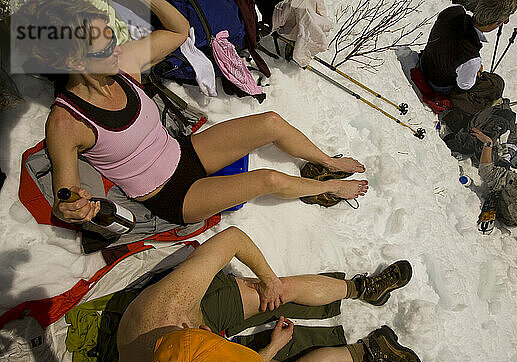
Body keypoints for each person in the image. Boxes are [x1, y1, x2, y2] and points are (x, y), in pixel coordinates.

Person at [22, 0, 368, 227]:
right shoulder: (67, 122)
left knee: (270, 122)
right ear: (73, 61)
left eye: (112, 37)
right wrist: (71, 206)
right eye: (104, 47)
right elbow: (64, 195)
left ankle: (329, 161)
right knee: (269, 180)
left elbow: (179, 31)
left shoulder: (123, 64)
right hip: (170, 195)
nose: (116, 48)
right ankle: (335, 187)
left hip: (183, 152)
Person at [116, 227, 424, 362]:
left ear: (193, 329)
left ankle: (361, 289)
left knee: (278, 293)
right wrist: (270, 349)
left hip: (197, 310)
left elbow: (233, 238)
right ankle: (368, 350)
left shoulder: (171, 302)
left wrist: (270, 281)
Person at [419, 0, 517, 115]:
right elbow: (464, 86)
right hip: (437, 84)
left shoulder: (453, 11)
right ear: (493, 23)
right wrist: (475, 74)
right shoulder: (471, 58)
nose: (506, 22)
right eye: (503, 20)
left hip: (425, 61)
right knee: (496, 84)